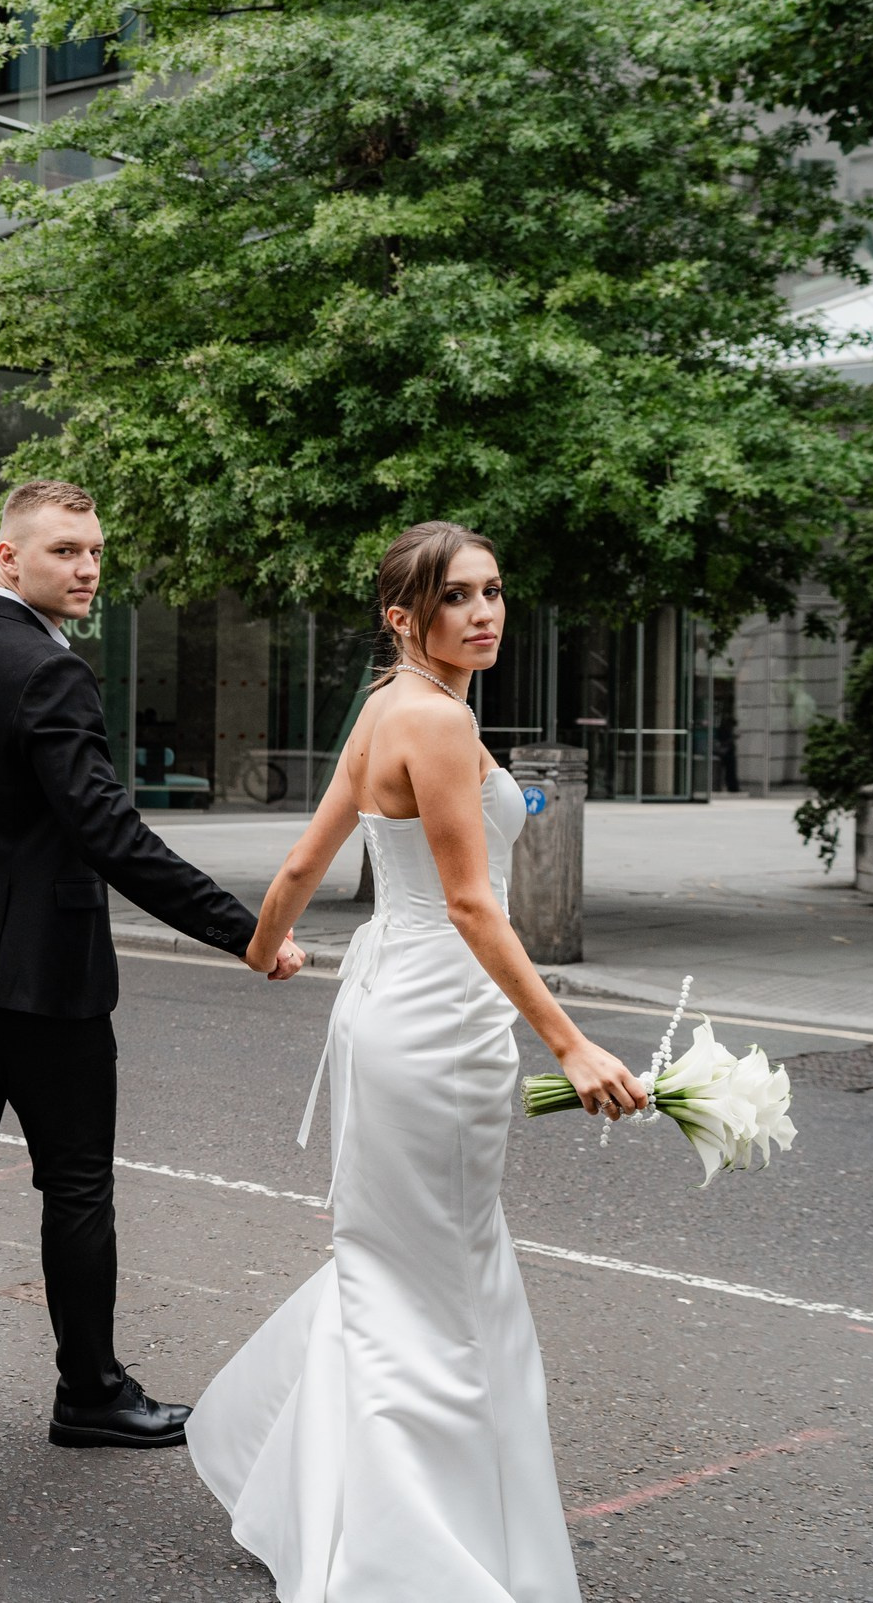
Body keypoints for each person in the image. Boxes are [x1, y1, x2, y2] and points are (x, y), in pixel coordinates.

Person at [188, 523, 646, 1602]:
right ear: (404, 617)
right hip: (438, 1015)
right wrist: (570, 1042)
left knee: (401, 1261)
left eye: (493, 592)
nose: (485, 613)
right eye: (459, 599)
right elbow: (472, 903)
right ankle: (405, 1548)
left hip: (386, 1003)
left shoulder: (385, 707)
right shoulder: (433, 721)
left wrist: (265, 952)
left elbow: (306, 857)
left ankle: (340, 1500)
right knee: (436, 1274)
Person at [0, 479, 305, 1511]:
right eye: (63, 551)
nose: (87, 567)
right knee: (77, 1184)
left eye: (93, 550)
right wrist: (248, 933)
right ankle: (88, 1391)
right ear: (6, 557)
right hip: (38, 982)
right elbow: (108, 833)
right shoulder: (51, 673)